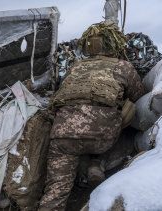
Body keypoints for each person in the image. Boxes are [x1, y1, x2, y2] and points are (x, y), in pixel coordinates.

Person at [38, 22, 146, 211]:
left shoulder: (75, 68)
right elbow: (138, 95)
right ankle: (98, 163)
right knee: (126, 111)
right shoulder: (123, 67)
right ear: (113, 45)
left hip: (63, 136)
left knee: (56, 189)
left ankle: (88, 166)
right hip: (102, 138)